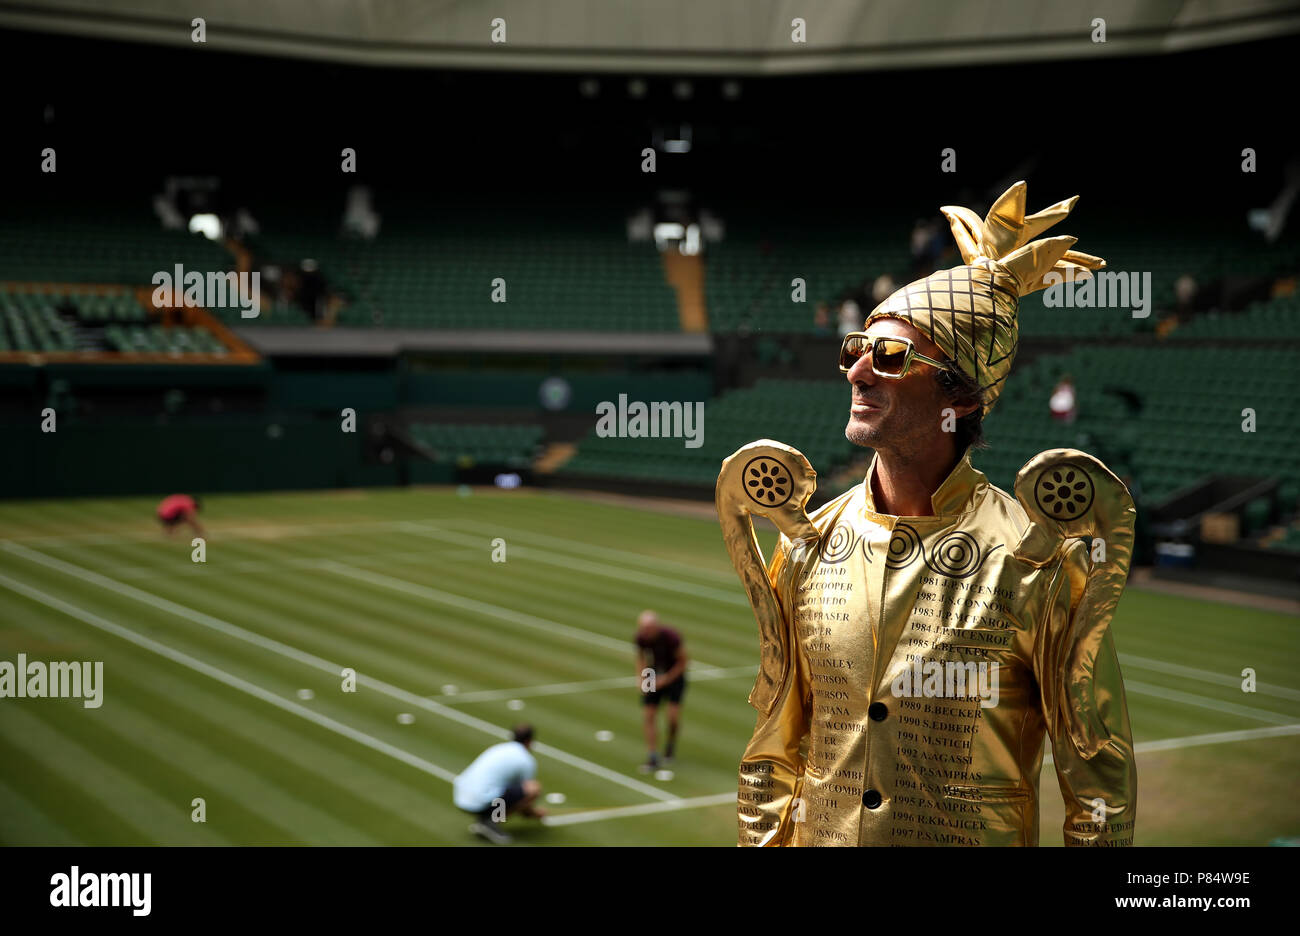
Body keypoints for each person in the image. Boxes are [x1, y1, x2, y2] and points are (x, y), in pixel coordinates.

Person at [735, 181, 1137, 846]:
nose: (857, 371)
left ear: (959, 391)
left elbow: (1099, 786)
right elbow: (773, 755)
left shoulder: (1036, 564)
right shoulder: (806, 546)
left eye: (888, 356)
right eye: (855, 348)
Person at [453, 724, 547, 844]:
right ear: (529, 741)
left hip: (460, 796)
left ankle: (485, 820)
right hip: (478, 800)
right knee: (534, 789)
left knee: (505, 788)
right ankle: (489, 823)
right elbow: (526, 796)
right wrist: (534, 813)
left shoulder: (499, 748)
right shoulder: (525, 759)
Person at [634, 610, 688, 772]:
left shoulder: (671, 637)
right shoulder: (641, 638)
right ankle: (652, 755)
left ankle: (670, 743)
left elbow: (683, 662)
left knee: (672, 717)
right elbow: (641, 658)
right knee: (649, 715)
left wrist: (666, 680)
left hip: (674, 676)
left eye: (648, 629)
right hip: (653, 674)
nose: (645, 632)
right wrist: (642, 678)